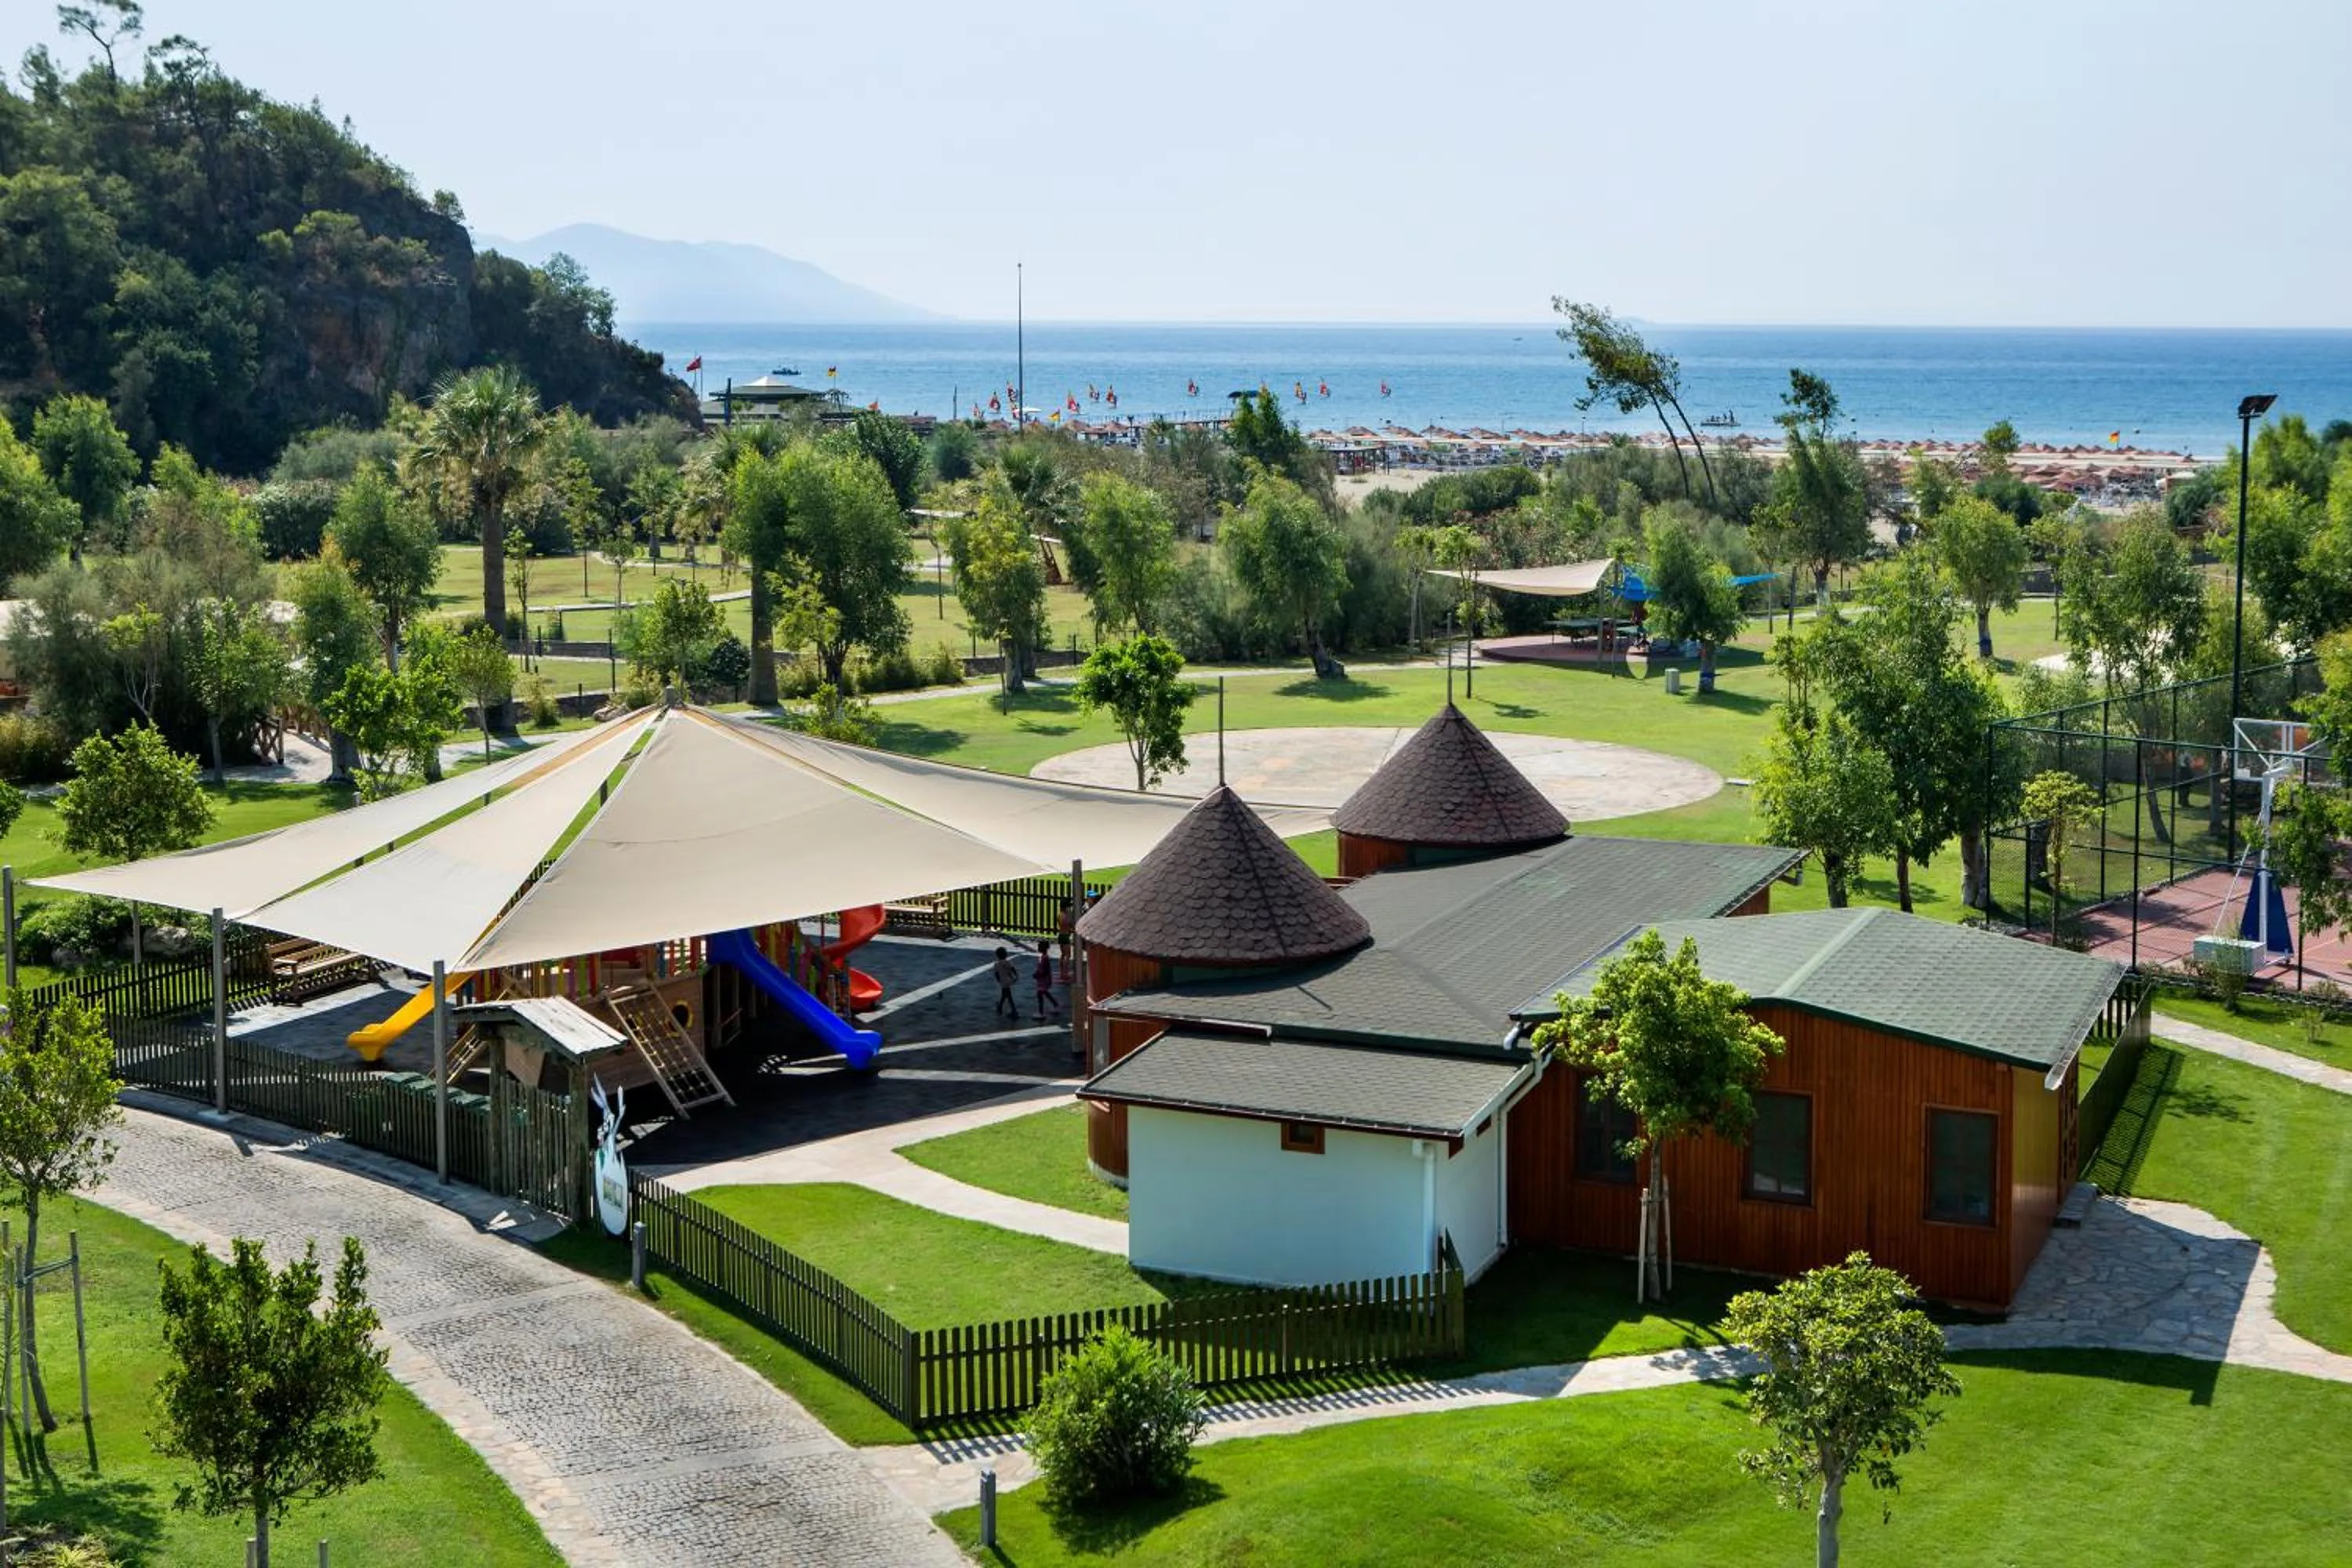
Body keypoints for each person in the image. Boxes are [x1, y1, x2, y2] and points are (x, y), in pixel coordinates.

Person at [1033, 939, 1062, 1020]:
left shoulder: (1045, 958)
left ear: (1043, 948)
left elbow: (1045, 970)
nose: (1038, 947)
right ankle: (1056, 1005)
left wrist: (1038, 975)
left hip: (1044, 979)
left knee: (1040, 995)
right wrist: (1037, 973)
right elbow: (1041, 968)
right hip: (1043, 979)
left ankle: (1041, 1013)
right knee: (1045, 993)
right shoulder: (1042, 956)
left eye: (1039, 946)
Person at [992, 946, 1018, 1018]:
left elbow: (996, 974)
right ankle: (1002, 1007)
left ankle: (1012, 1010)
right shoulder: (1008, 962)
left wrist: (999, 980)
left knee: (1007, 995)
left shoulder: (996, 964)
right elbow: (1013, 969)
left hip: (1003, 981)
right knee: (1006, 994)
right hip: (1009, 980)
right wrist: (1016, 976)